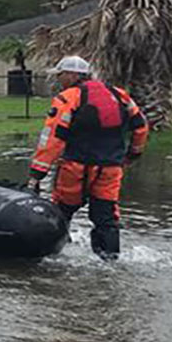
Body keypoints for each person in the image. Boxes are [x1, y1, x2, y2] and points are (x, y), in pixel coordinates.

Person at [26, 55, 149, 260]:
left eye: (61, 75)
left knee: (62, 211)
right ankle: (109, 261)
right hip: (110, 169)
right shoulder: (120, 95)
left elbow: (53, 138)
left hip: (75, 168)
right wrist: (133, 154)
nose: (59, 80)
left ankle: (51, 257)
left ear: (73, 75)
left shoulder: (68, 98)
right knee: (107, 218)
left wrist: (36, 174)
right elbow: (141, 126)